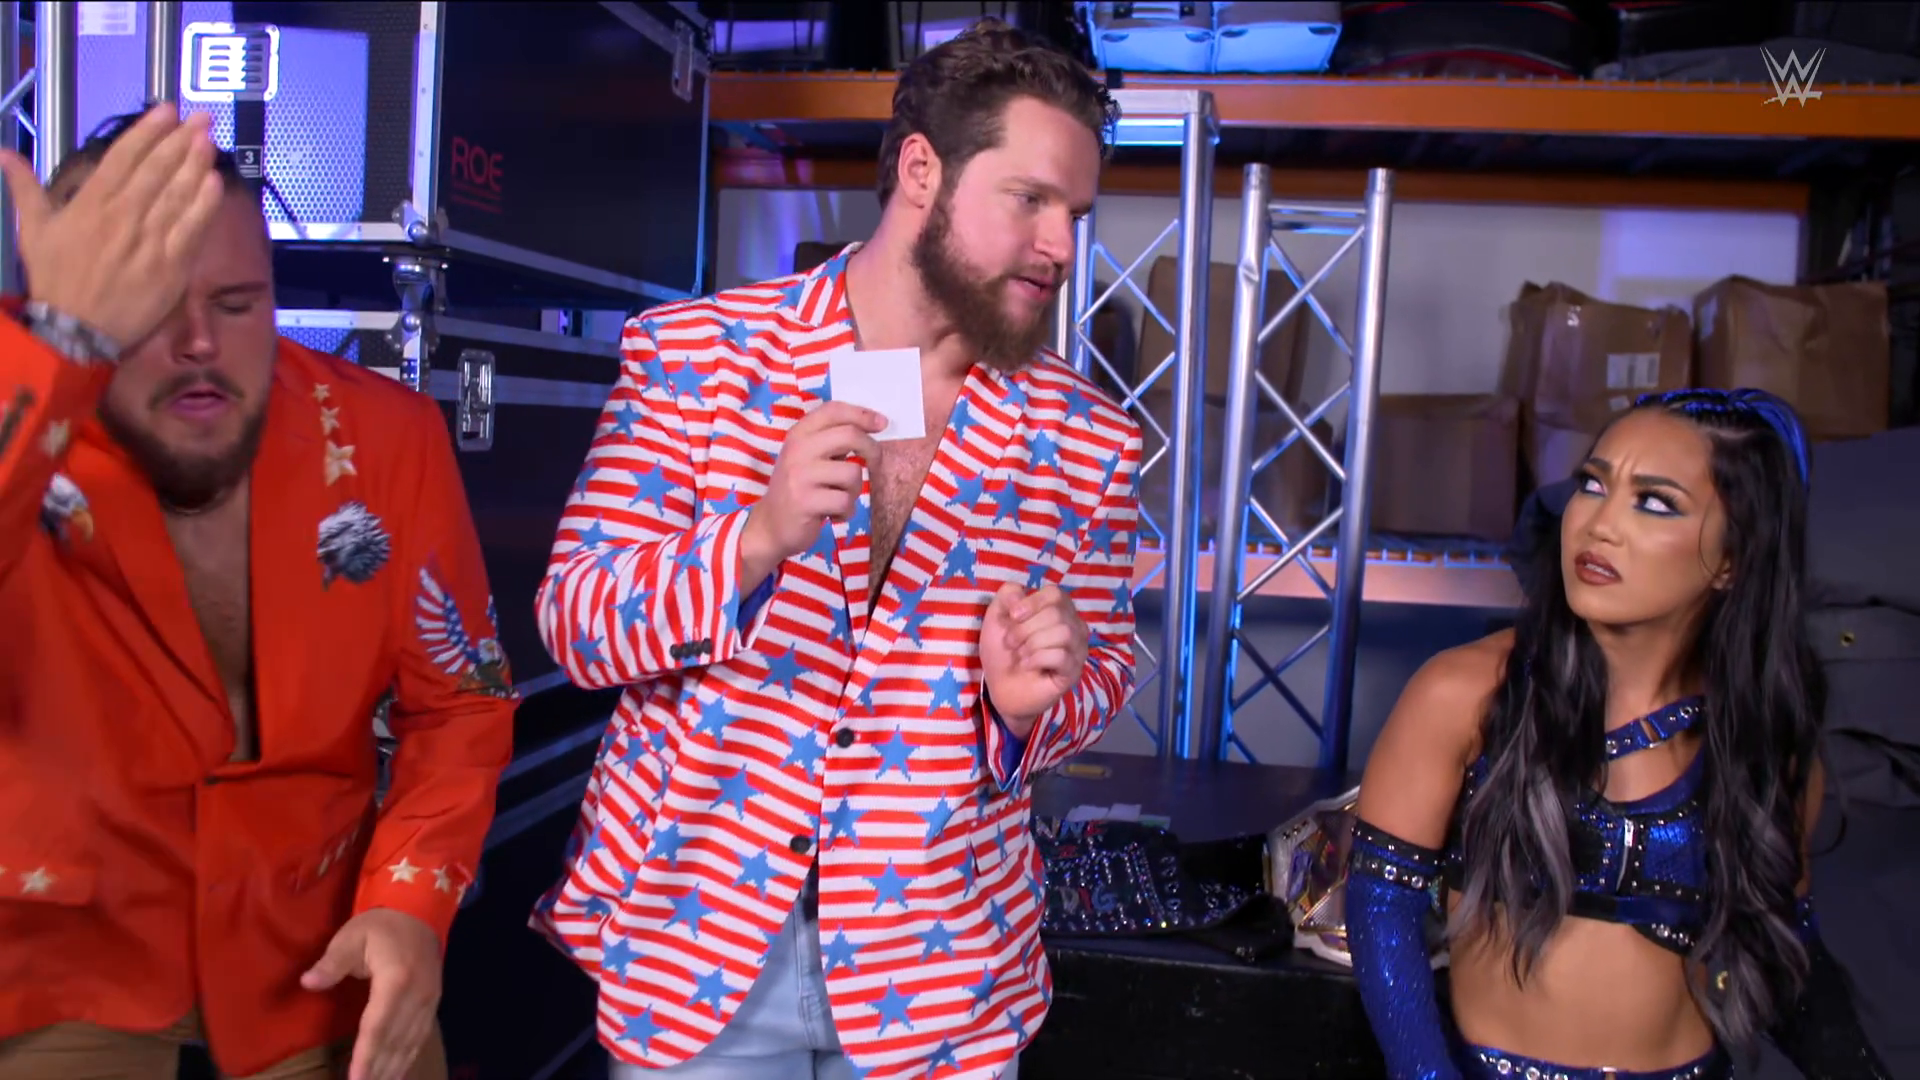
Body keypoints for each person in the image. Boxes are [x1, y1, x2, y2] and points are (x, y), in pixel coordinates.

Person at [530, 19, 1140, 1080]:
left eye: (1074, 215)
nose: (1060, 246)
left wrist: (1026, 708)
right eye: (1030, 200)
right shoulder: (697, 358)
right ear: (922, 171)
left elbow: (1106, 665)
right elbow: (575, 624)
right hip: (695, 946)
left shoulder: (1087, 438)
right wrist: (752, 542)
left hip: (943, 966)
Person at [0, 106, 516, 1079]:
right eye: (150, 303)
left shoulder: (388, 438)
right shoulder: (20, 400)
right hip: (54, 961)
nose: (199, 341)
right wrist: (58, 343)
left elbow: (461, 702)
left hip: (315, 946)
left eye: (238, 305)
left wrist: (411, 904)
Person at [1346, 387, 1891, 1080]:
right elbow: (1382, 907)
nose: (1599, 525)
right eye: (1593, 485)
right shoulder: (1464, 694)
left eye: (1654, 502)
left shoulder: (1763, 740)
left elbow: (1784, 947)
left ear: (1733, 558)